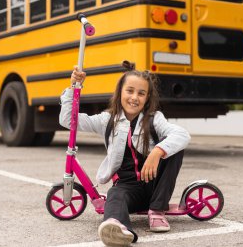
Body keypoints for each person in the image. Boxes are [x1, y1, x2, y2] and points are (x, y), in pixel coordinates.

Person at [59, 61, 191, 247]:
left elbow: (182, 135)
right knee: (115, 195)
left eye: (141, 93)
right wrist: (74, 87)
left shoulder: (154, 119)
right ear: (120, 92)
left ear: (147, 98)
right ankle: (118, 228)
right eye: (130, 91)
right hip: (128, 189)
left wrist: (157, 152)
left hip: (155, 186)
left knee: (175, 147)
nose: (134, 97)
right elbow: (68, 120)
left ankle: (156, 211)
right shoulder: (107, 120)